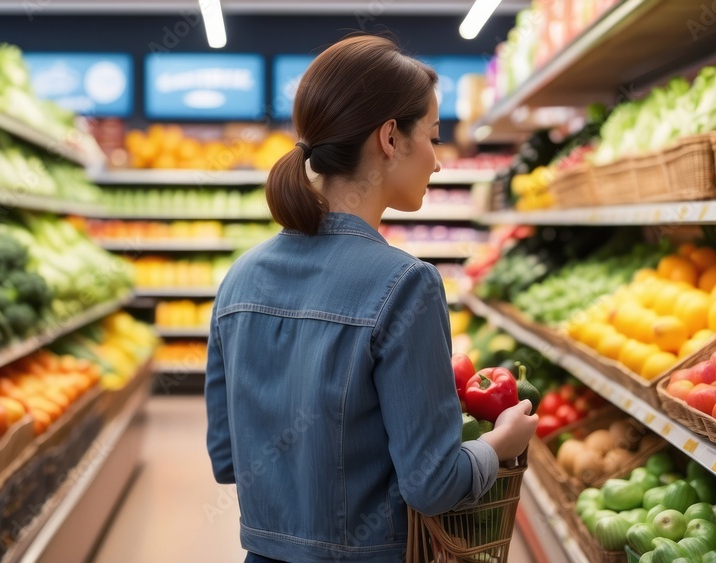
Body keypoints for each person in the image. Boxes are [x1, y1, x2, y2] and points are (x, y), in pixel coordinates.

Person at [205, 34, 538, 563]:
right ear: (389, 138)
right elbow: (432, 485)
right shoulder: (407, 285)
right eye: (431, 136)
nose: (438, 161)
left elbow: (227, 459)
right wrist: (502, 442)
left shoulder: (238, 281)